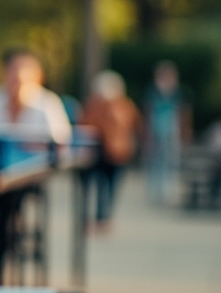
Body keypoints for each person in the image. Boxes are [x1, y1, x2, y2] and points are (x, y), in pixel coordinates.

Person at [0, 47, 72, 145]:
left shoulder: (49, 104)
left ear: (39, 75)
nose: (18, 75)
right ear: (3, 73)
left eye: (25, 69)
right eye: (12, 69)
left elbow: (61, 145)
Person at [78, 70, 142, 231]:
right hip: (100, 151)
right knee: (97, 186)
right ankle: (94, 218)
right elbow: (85, 126)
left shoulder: (123, 106)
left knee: (109, 187)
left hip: (116, 152)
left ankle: (104, 217)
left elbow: (134, 126)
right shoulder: (94, 106)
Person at [141, 60, 191, 206]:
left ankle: (169, 189)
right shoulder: (152, 92)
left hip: (172, 131)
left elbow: (184, 115)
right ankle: (155, 189)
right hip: (155, 130)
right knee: (155, 160)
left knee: (171, 160)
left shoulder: (179, 93)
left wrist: (185, 133)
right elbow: (147, 113)